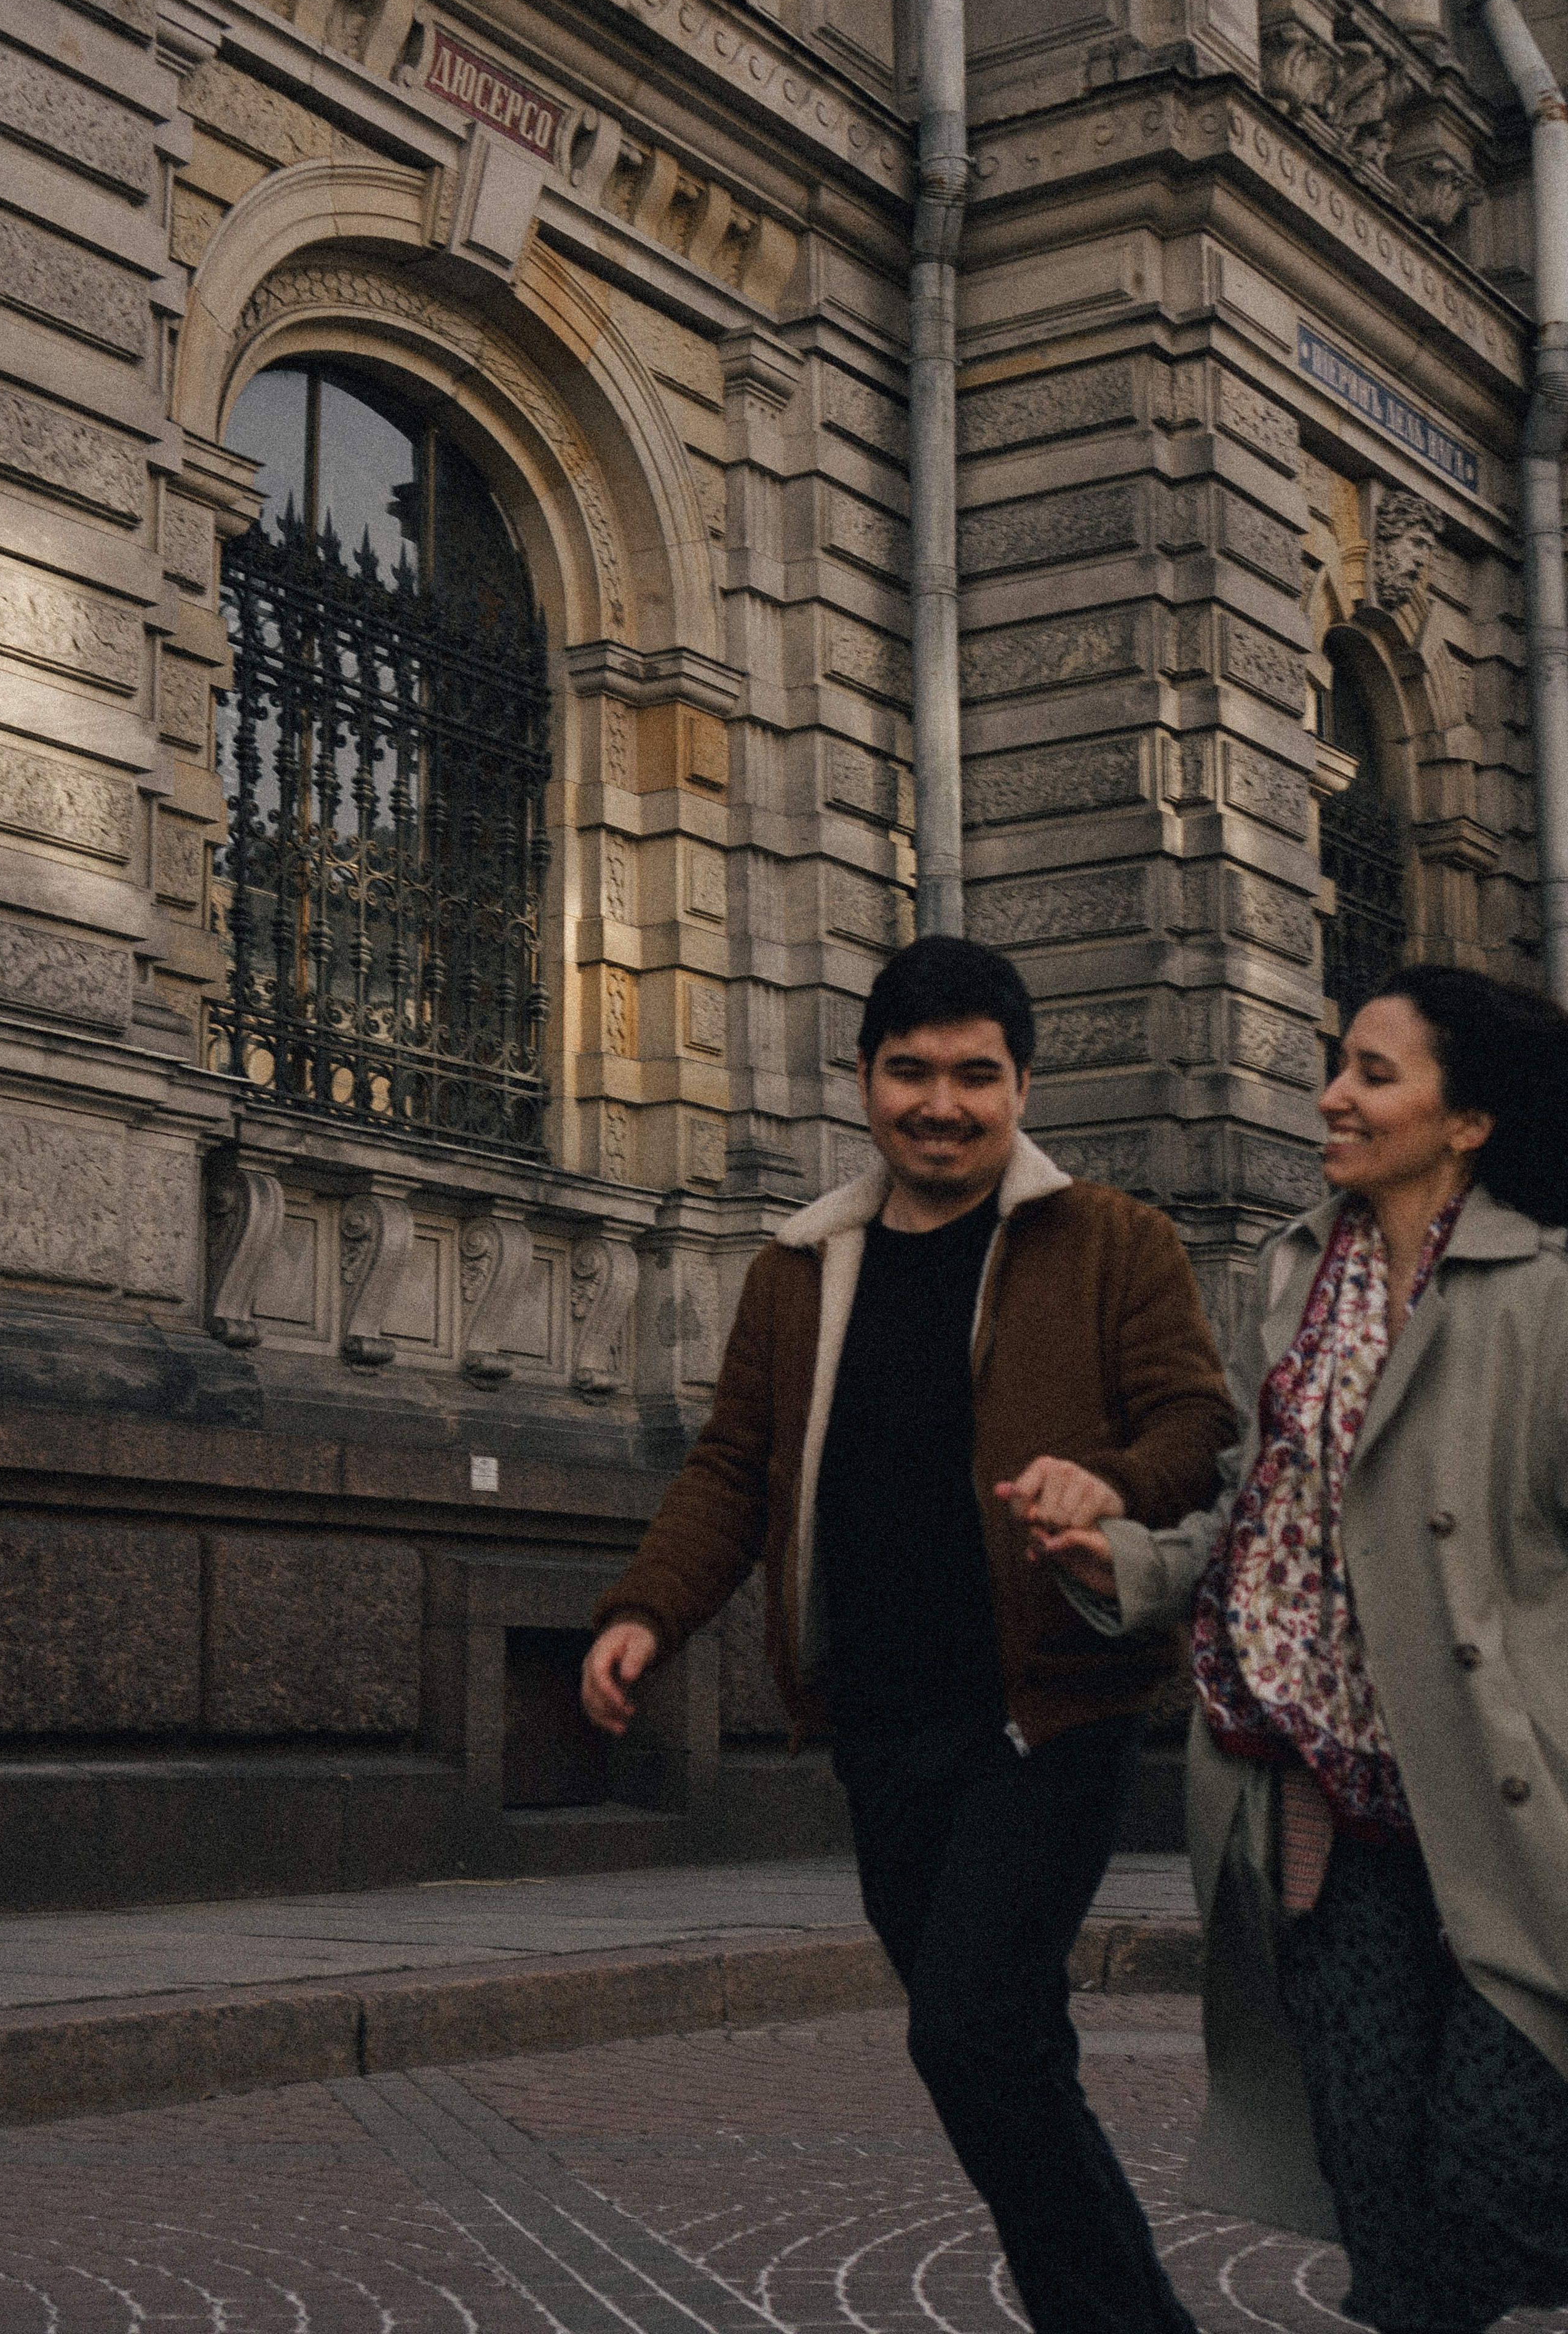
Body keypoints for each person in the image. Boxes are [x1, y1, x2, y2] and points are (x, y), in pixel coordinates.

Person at [581, 934, 1236, 2334]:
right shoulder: (800, 1268)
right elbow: (732, 1471)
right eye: (910, 1072)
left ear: (1022, 1087)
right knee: (1003, 2050)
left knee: (971, 2031)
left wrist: (1111, 1484)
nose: (941, 1105)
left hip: (1047, 1713)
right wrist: (646, 1611)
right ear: (865, 1080)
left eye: (974, 1076)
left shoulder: (1113, 1241)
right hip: (880, 1725)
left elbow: (1195, 1424)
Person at [1012, 964, 1568, 2334]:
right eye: (1338, 1064)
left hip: (1505, 1806)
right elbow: (1258, 1513)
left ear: (1467, 1121)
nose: (1330, 1096)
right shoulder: (1297, 1271)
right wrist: (1127, 1564)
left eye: (1374, 1073)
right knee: (1379, 2187)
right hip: (1325, 1804)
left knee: (1497, 2169)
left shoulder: (1547, 1296)